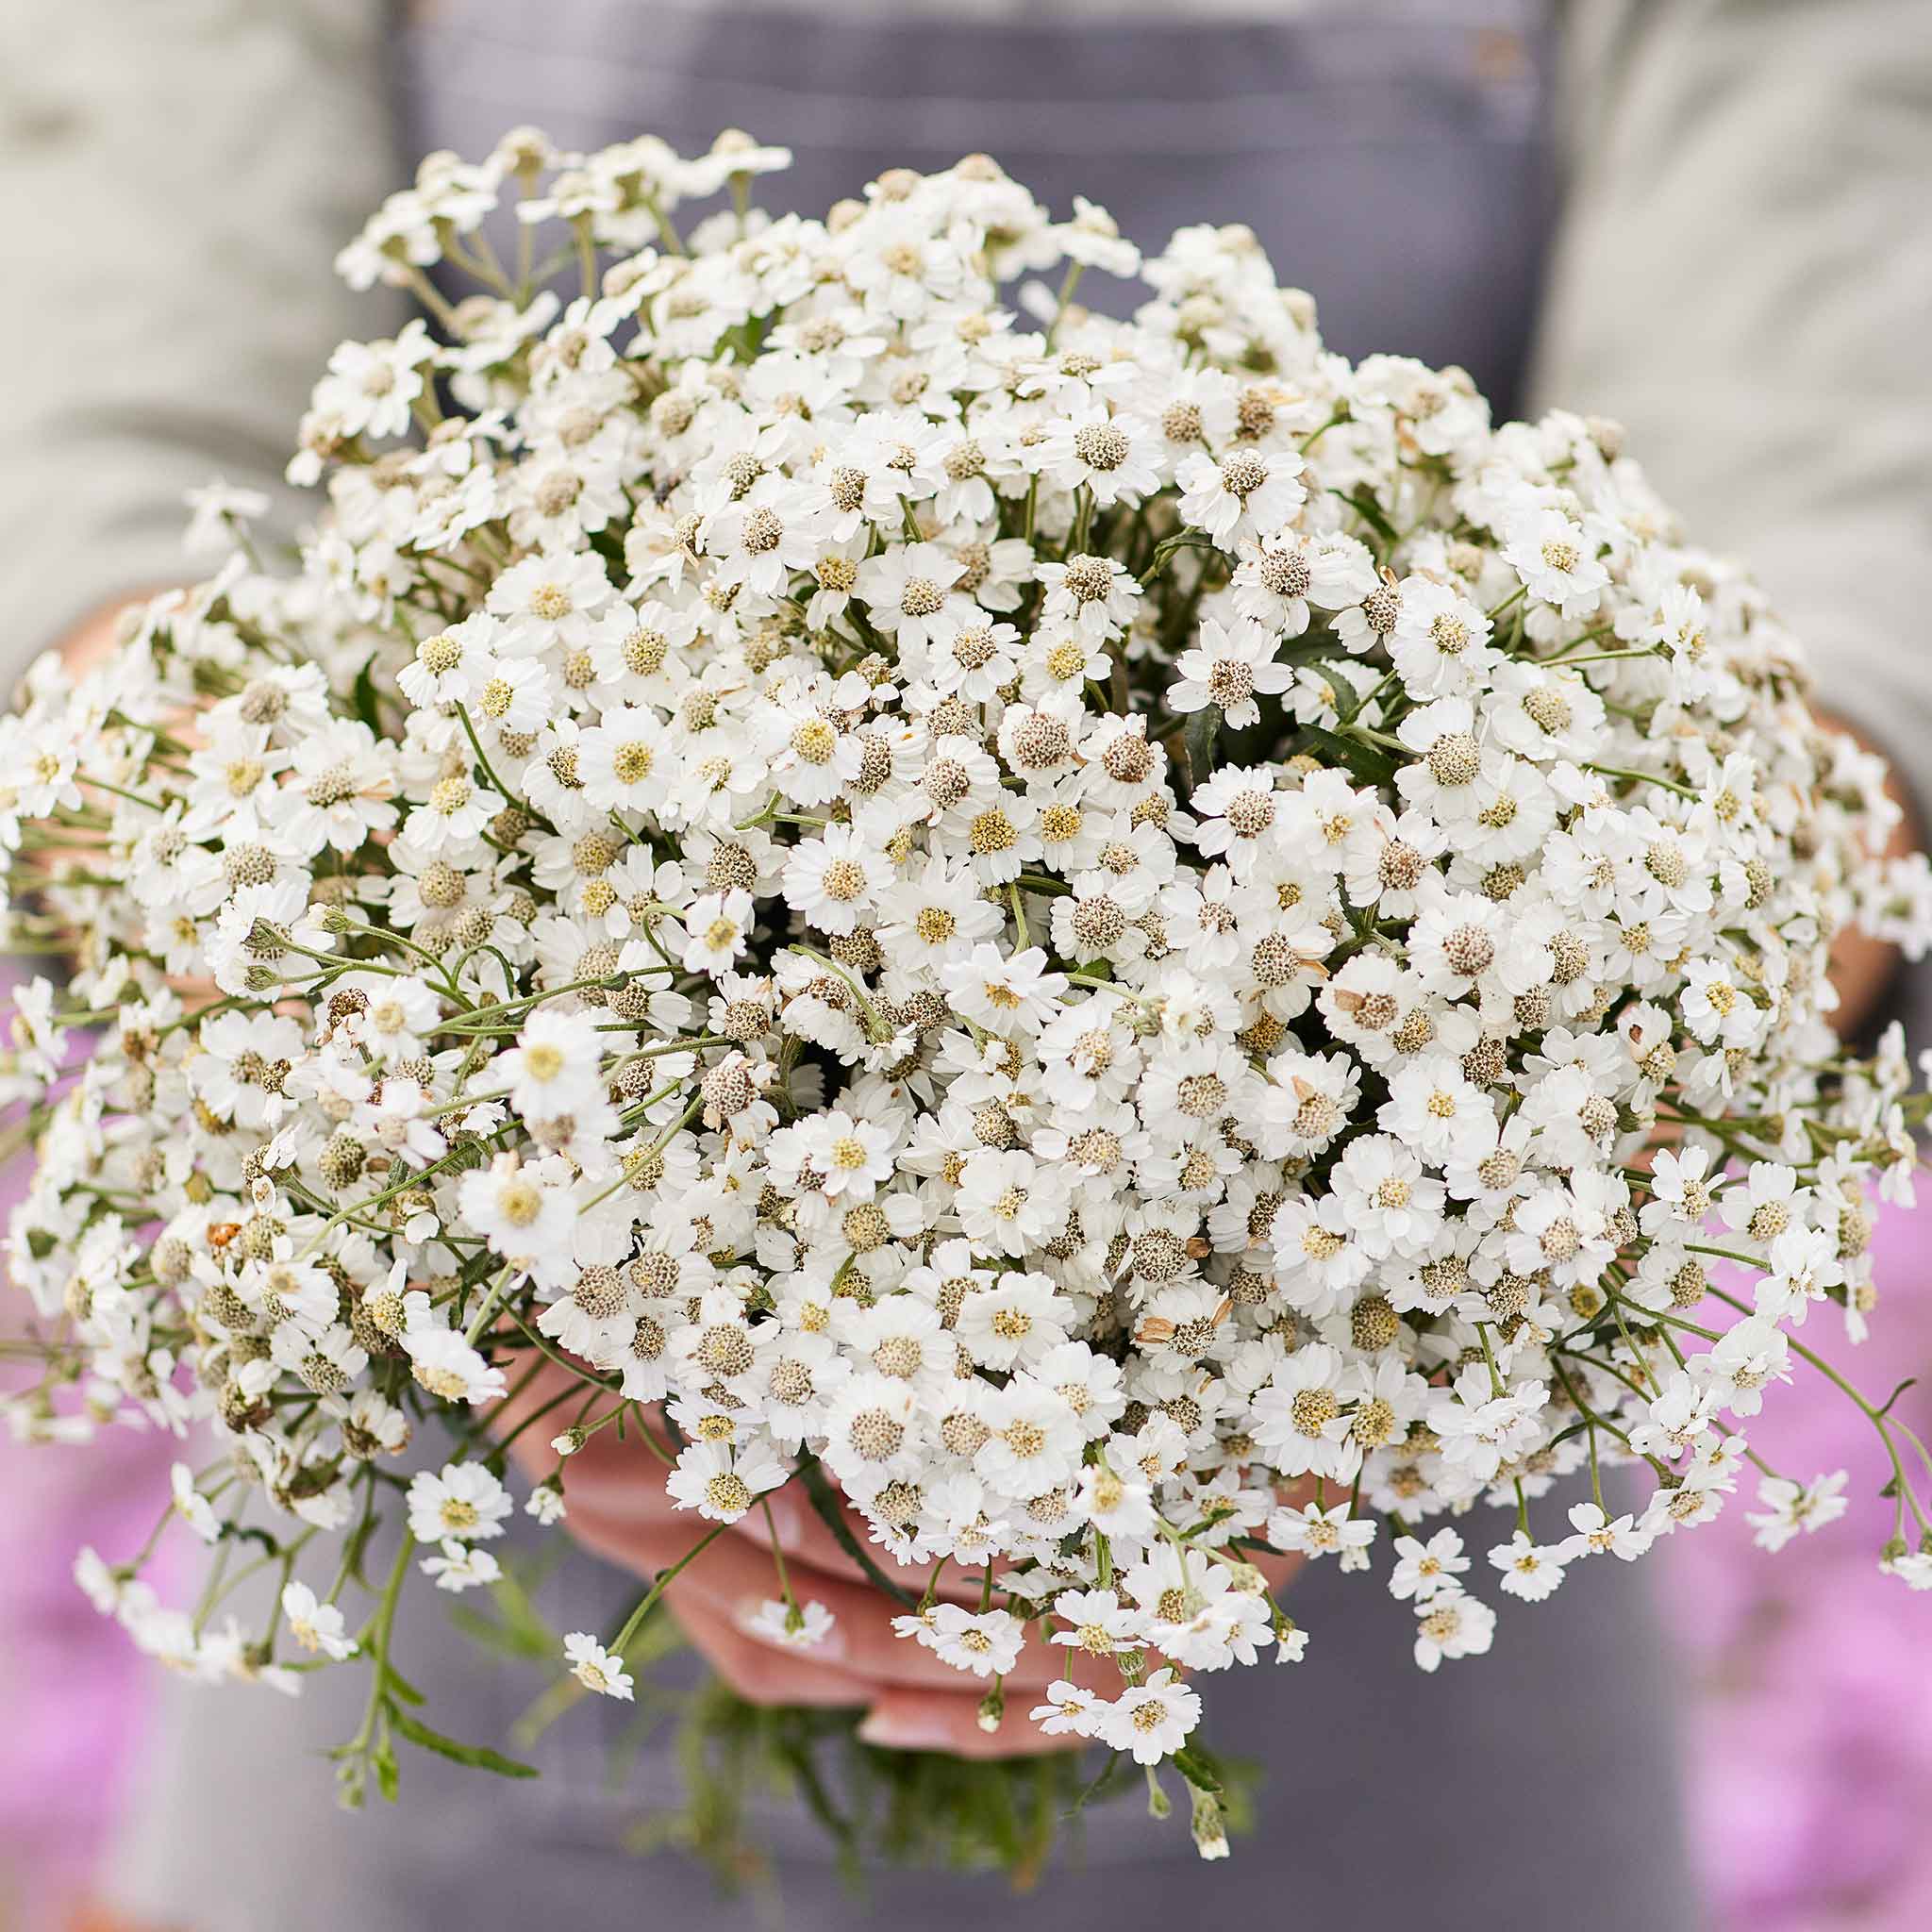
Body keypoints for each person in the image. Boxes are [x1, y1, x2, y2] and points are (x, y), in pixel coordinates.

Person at [1, 3, 1924, 1927]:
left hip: (1383, 1450)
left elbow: (1833, 541)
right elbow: (111, 444)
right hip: (477, 1417)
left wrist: (1357, 1304)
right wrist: (507, 1246)